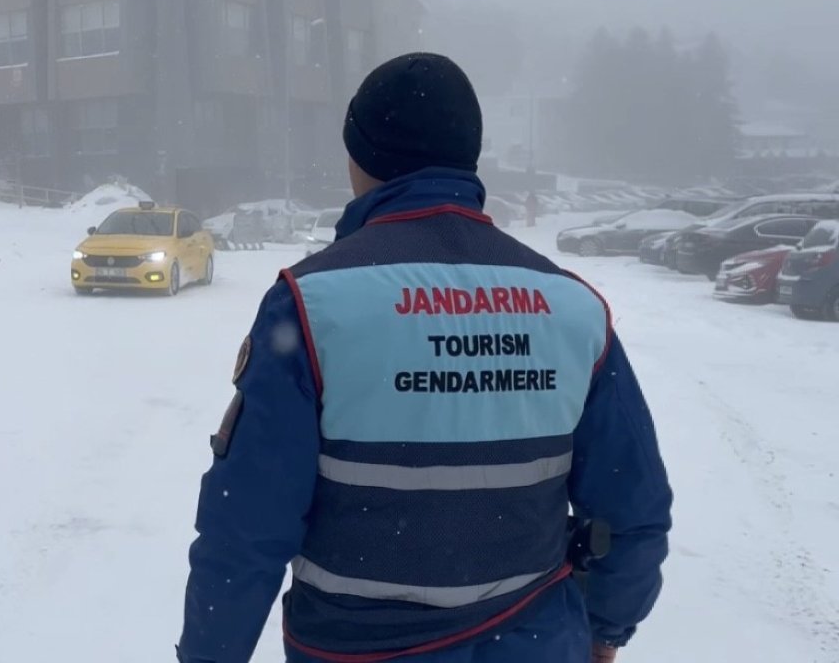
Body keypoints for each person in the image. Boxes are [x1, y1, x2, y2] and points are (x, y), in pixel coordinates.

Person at [177, 53, 673, 663]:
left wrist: (210, 651)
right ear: (468, 155)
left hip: (357, 649)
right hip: (536, 641)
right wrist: (606, 630)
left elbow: (247, 527)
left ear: (362, 160)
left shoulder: (315, 304)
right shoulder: (571, 307)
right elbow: (631, 504)